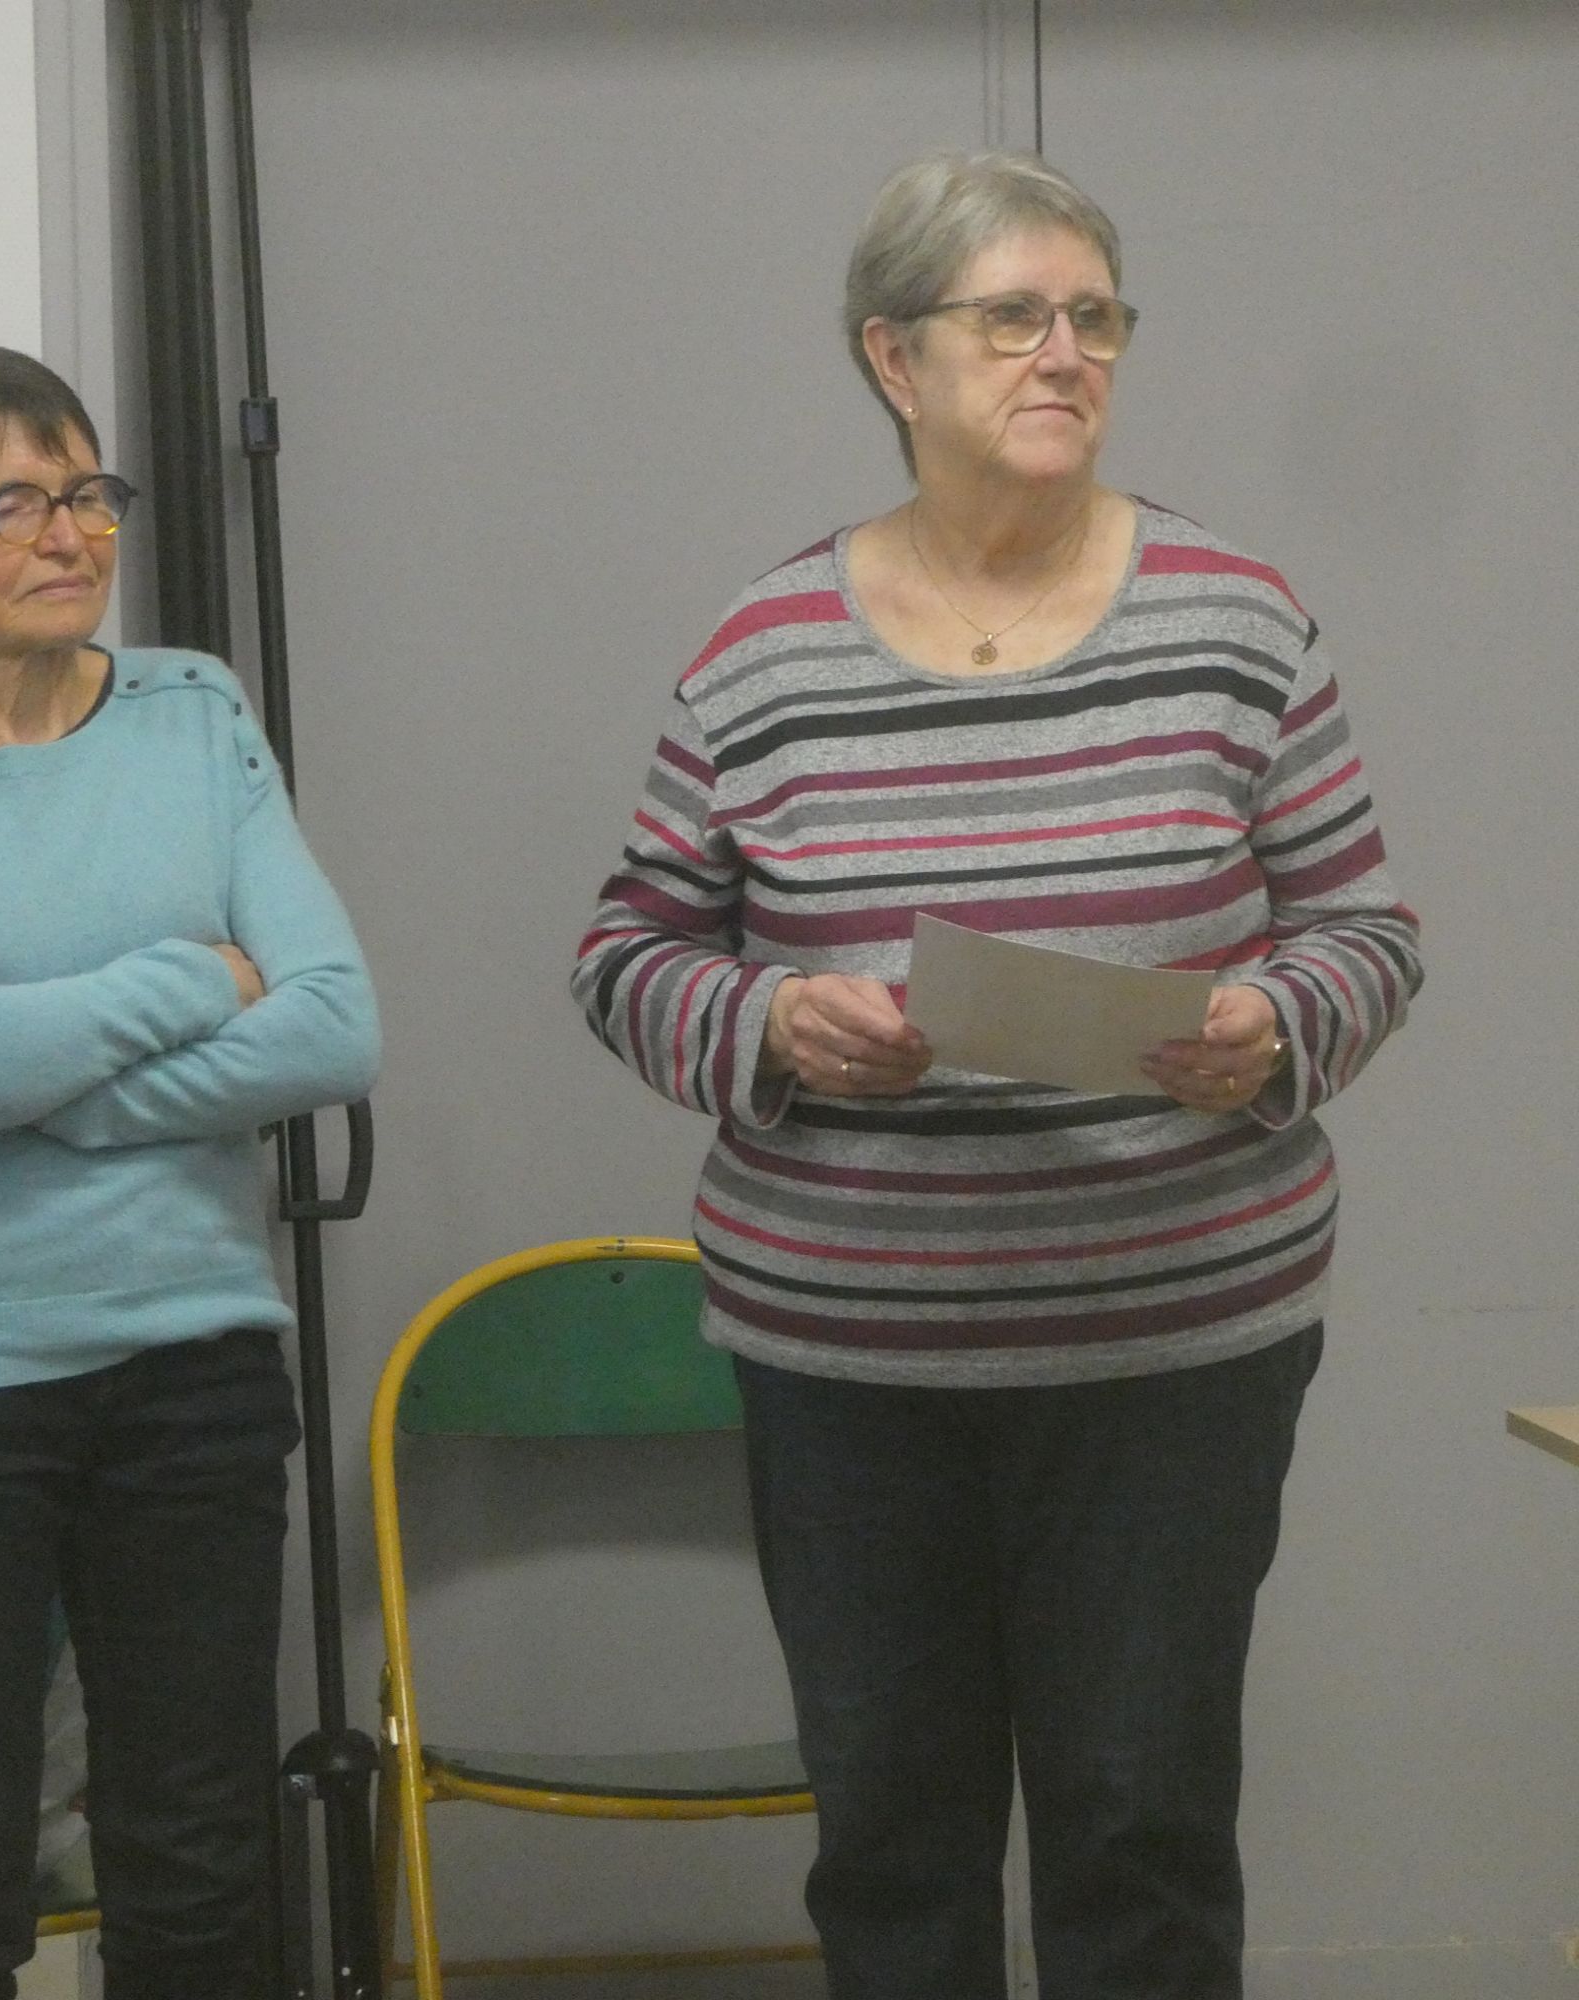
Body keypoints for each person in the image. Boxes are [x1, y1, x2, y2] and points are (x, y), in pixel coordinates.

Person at [571, 152, 1420, 2000]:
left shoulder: (1238, 621)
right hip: (851, 1366)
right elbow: (627, 954)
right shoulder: (762, 653)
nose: (1068, 352)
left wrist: (1278, 1024)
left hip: (1174, 1351)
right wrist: (768, 1028)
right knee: (893, 1847)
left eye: (1096, 316)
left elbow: (1368, 932)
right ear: (894, 356)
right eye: (1016, 316)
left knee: (1142, 1839)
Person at [0, 341, 380, 2000]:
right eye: (10, 503)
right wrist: (196, 976)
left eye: (84, 491)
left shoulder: (194, 710)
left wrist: (30, 1073)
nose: (70, 534)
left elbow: (335, 1027)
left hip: (190, 1366)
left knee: (197, 1876)